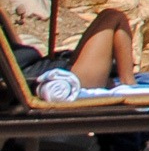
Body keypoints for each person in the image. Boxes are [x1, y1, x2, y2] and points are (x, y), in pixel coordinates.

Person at [3, 6, 137, 92]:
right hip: (71, 81)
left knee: (107, 14)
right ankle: (129, 84)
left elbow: (15, 48)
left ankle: (126, 82)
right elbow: (24, 55)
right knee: (115, 17)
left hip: (61, 72)